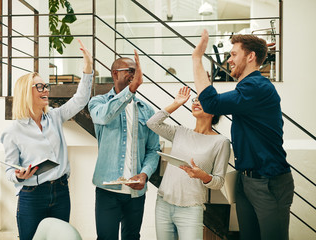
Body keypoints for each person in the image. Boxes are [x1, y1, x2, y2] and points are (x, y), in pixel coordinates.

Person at [192, 29, 294, 240]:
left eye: (233, 54)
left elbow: (211, 103)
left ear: (251, 56)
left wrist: (196, 58)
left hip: (268, 182)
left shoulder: (257, 88)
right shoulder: (246, 89)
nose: (229, 60)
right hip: (246, 180)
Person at [0, 40, 93, 240]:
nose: (46, 90)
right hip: (32, 195)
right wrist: (19, 176)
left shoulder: (56, 117)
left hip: (60, 192)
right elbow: (9, 170)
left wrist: (87, 67)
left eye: (46, 86)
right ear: (26, 92)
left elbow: (80, 99)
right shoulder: (13, 132)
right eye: (40, 86)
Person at [88, 50, 160, 240]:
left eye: (136, 71)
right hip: (107, 190)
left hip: (136, 193)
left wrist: (144, 174)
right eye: (129, 70)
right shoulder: (98, 102)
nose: (134, 75)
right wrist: (130, 91)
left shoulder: (147, 109)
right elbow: (103, 116)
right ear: (114, 74)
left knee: (132, 237)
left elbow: (153, 150)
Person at [146, 86, 231, 240]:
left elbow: (219, 182)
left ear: (213, 110)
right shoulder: (180, 132)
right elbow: (152, 123)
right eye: (195, 99)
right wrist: (177, 103)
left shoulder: (221, 142)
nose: (196, 102)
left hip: (191, 210)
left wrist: (203, 176)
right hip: (163, 203)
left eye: (203, 100)